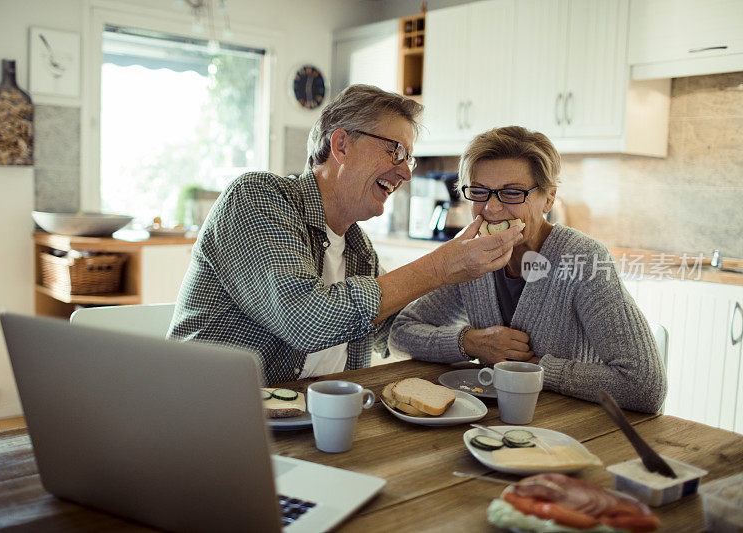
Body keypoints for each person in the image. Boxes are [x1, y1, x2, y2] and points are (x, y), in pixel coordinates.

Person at [167, 85, 523, 385]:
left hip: (308, 426)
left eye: (409, 159)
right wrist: (441, 266)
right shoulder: (256, 197)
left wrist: (472, 341)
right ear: (341, 146)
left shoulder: (358, 249)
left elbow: (394, 331)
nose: (406, 173)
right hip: (209, 421)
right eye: (396, 151)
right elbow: (303, 318)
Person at [389, 126, 666, 413]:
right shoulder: (471, 257)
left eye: (512, 193)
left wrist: (541, 370)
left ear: (548, 199)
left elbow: (645, 385)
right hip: (487, 422)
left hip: (571, 429)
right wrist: (470, 343)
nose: (492, 208)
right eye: (480, 192)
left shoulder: (582, 259)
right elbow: (400, 333)